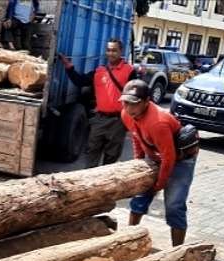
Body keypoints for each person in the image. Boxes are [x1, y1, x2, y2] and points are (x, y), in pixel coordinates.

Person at [119, 79, 198, 247]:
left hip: (179, 161)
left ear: (147, 101)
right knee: (139, 197)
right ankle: (126, 241)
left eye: (134, 104)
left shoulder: (158, 123)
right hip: (155, 156)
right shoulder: (126, 114)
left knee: (174, 206)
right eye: (125, 103)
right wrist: (138, 162)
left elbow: (169, 158)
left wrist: (159, 184)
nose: (128, 108)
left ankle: (177, 251)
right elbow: (136, 136)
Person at [58, 38, 137, 168]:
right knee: (91, 154)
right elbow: (80, 81)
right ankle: (89, 184)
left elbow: (136, 95)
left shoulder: (129, 71)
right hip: (99, 120)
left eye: (114, 50)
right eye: (108, 50)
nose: (111, 53)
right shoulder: (99, 71)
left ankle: (105, 185)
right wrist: (68, 67)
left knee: (111, 159)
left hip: (118, 122)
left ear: (121, 51)